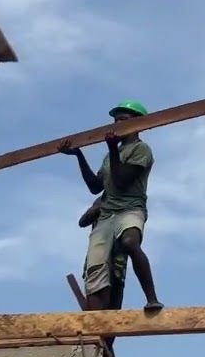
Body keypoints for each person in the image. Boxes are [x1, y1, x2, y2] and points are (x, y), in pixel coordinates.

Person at [60, 100, 163, 313]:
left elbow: (121, 181)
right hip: (107, 216)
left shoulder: (141, 149)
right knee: (96, 269)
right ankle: (94, 324)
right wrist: (79, 155)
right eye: (116, 120)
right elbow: (95, 187)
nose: (117, 124)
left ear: (138, 123)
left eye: (123, 120)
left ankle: (152, 298)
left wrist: (112, 148)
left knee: (130, 242)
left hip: (130, 209)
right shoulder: (109, 156)